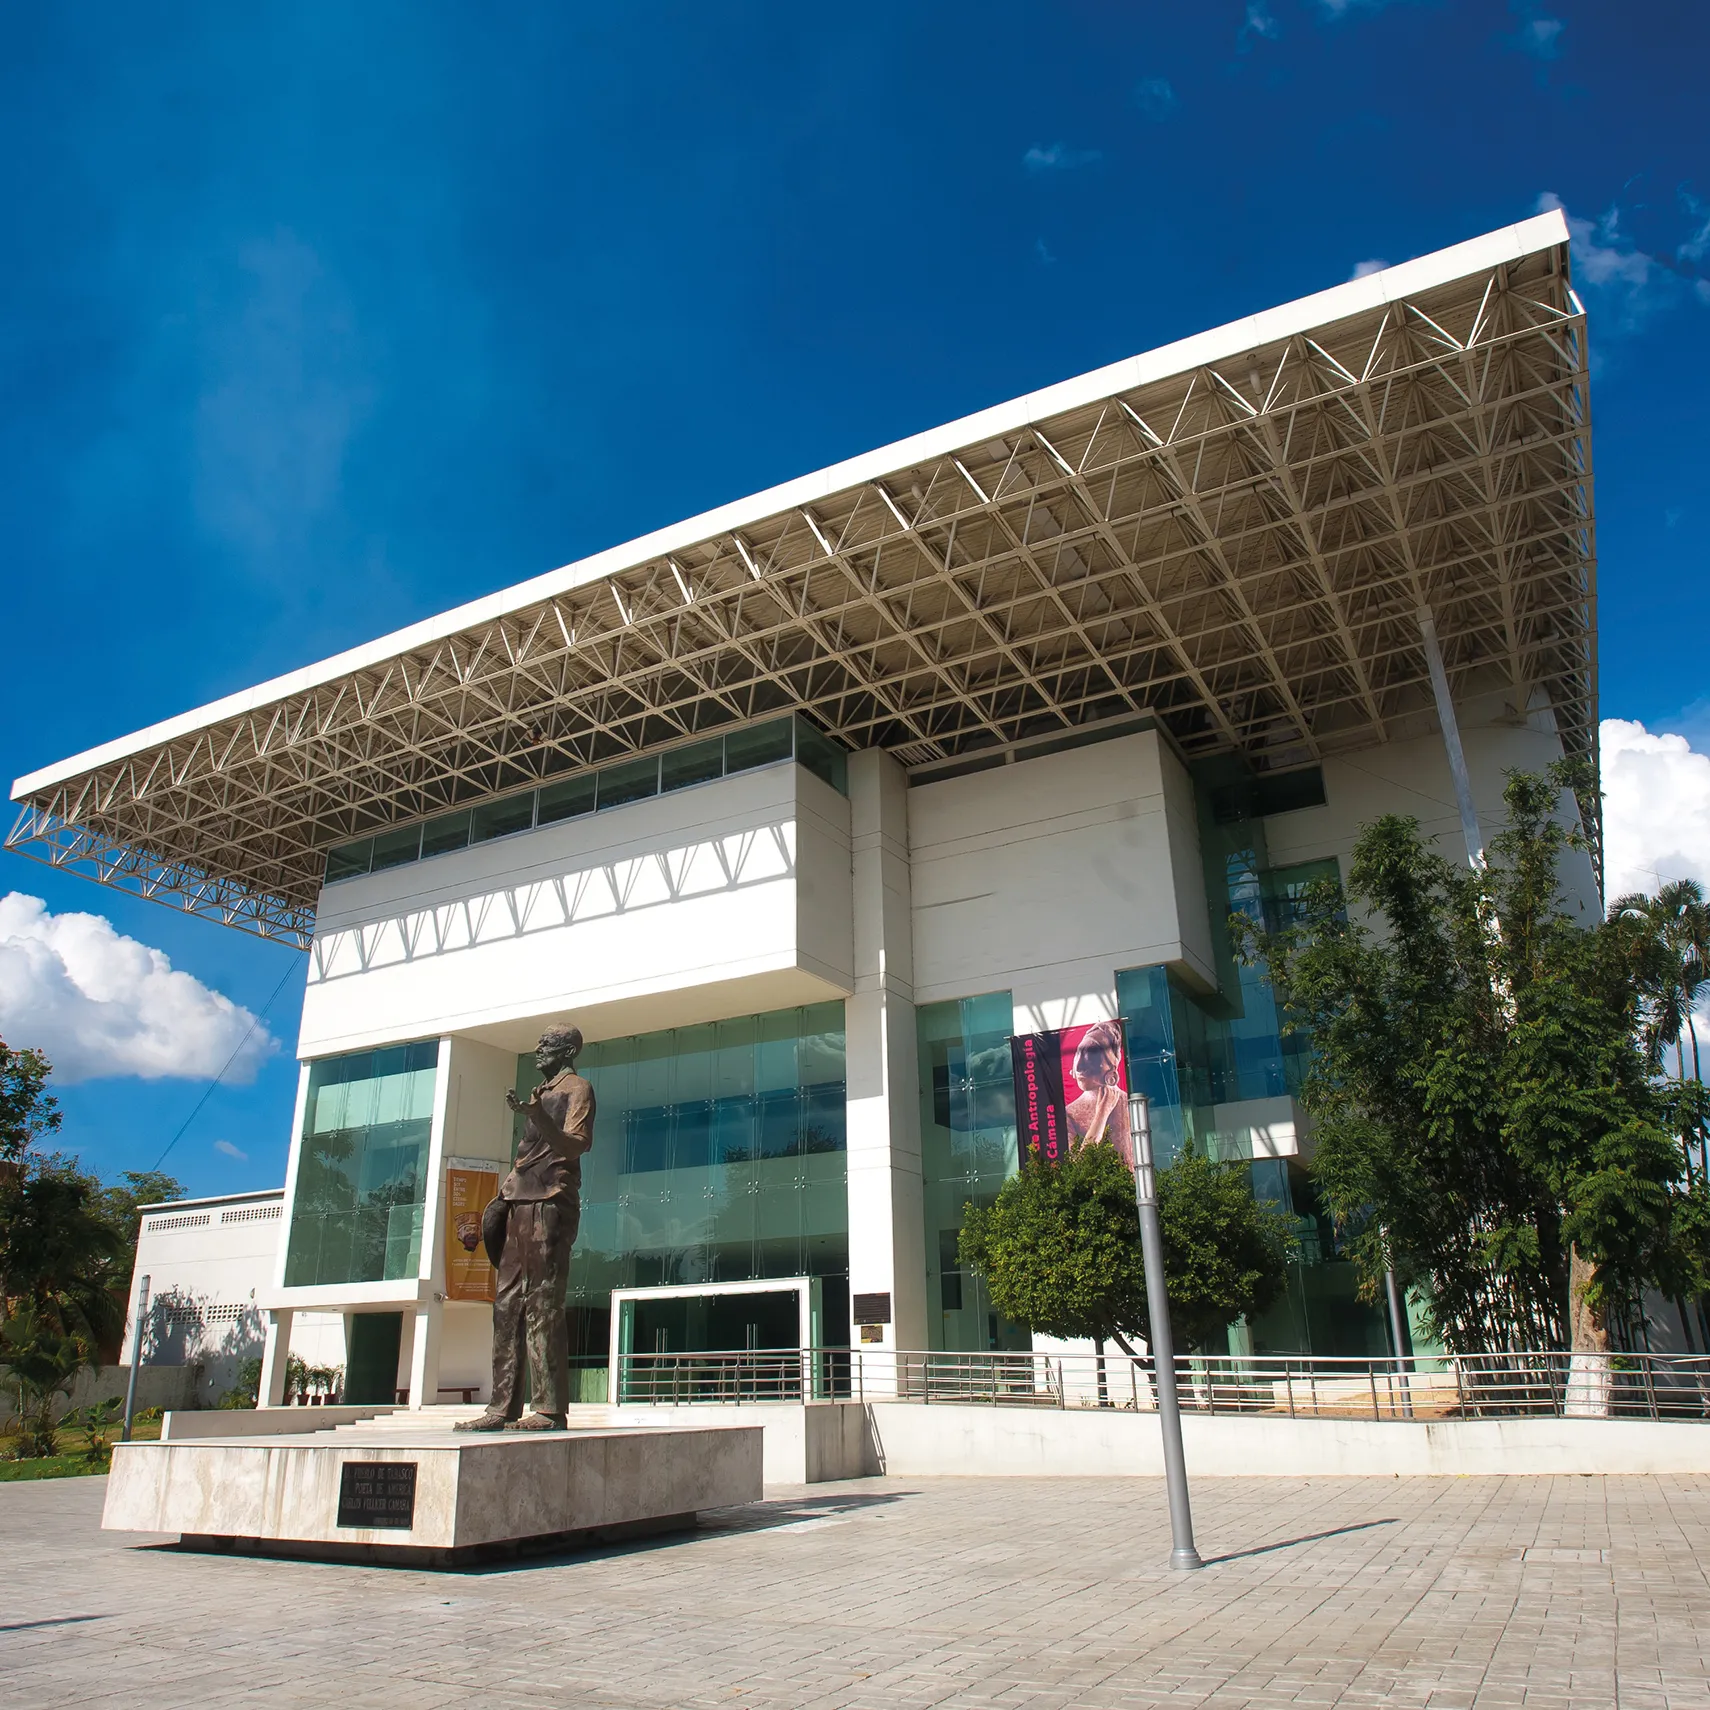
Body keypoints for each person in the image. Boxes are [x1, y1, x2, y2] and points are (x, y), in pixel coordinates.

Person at [455, 1023, 594, 1432]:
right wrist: (501, 1201)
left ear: (567, 1051)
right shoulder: (540, 1094)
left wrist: (538, 1117)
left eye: (547, 1045)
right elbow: (524, 1157)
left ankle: (549, 1408)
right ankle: (501, 1406)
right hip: (518, 1203)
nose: (538, 1050)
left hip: (551, 1205)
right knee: (506, 1307)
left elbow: (573, 1145)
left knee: (543, 1305)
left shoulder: (577, 1089)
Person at [1063, 1020, 1134, 1169]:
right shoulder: (1069, 1114)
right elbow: (1079, 1168)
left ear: (1111, 1064)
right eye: (1079, 1051)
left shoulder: (1129, 1103)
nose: (1080, 1065)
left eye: (1091, 1054)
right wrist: (1102, 1114)